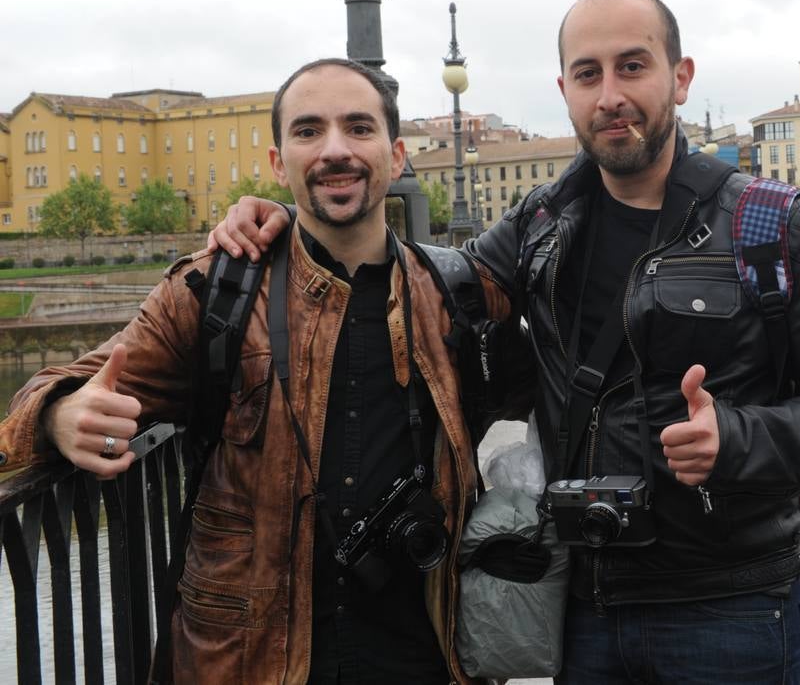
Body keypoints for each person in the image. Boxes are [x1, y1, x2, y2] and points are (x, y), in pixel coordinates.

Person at [212, 0, 800, 684]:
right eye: (588, 74)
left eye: (633, 67)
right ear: (565, 89)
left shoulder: (767, 222)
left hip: (727, 607)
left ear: (680, 77)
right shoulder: (544, 222)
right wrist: (282, 225)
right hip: (583, 607)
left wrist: (739, 439)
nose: (610, 96)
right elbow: (423, 287)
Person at [0, 58, 512, 684]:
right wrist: (58, 415)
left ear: (397, 154)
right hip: (248, 662)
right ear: (277, 163)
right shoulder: (214, 290)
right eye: (307, 131)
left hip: (420, 657)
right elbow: (53, 393)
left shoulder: (454, 295)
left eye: (358, 127)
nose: (334, 150)